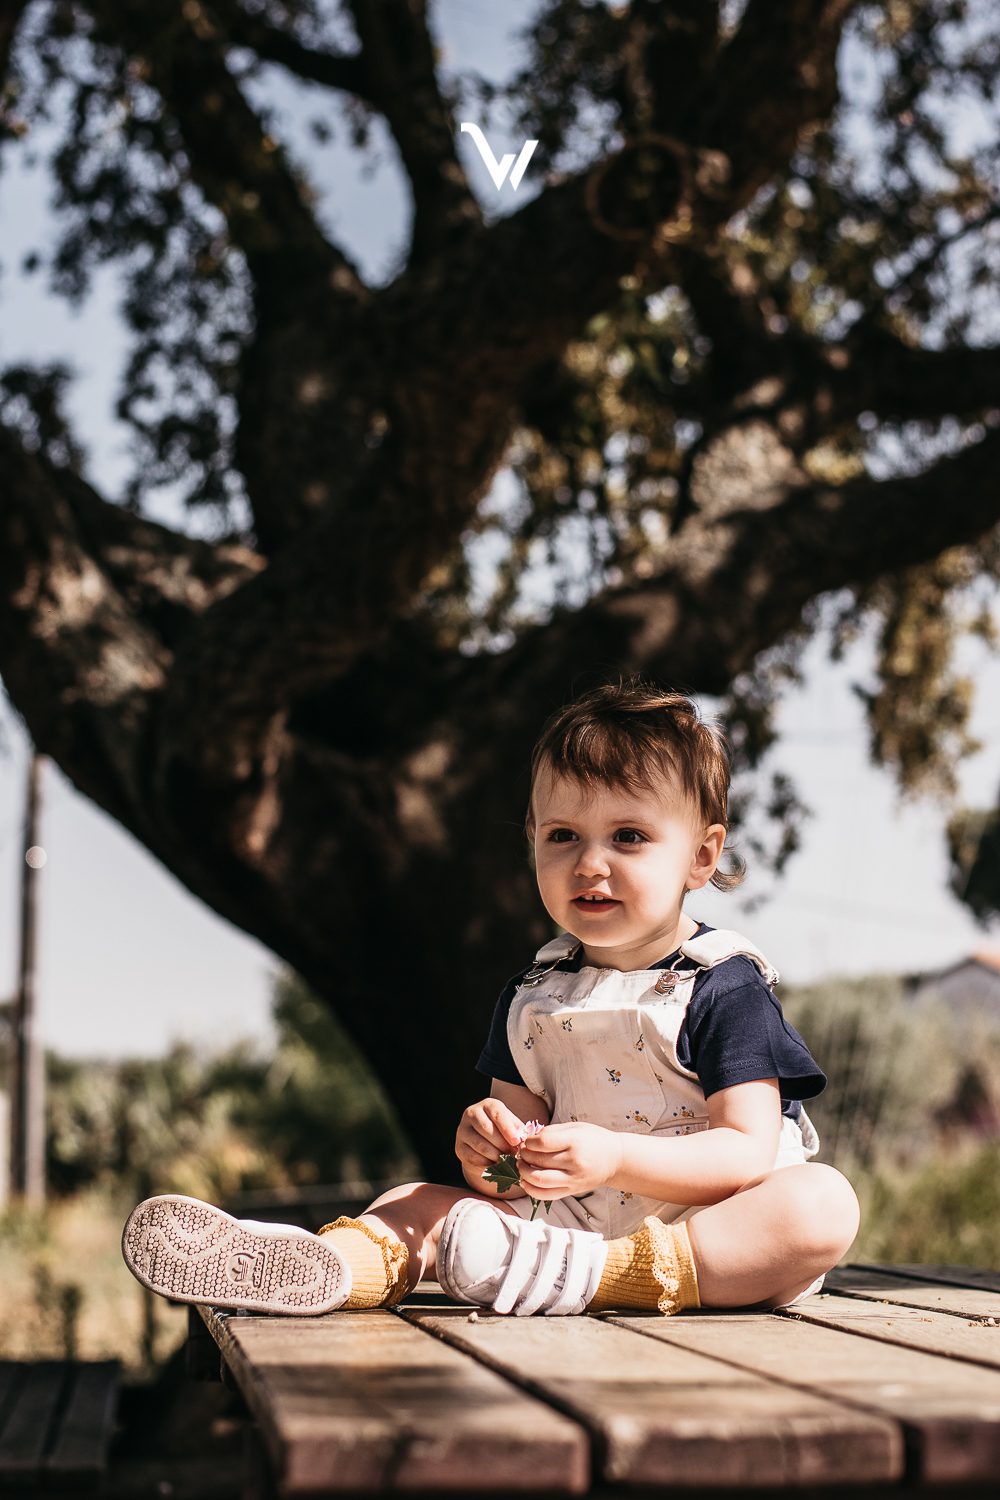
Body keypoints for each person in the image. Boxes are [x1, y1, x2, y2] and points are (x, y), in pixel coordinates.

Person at [121, 681, 859, 1320]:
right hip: (565, 1226)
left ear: (702, 855)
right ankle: (328, 1269)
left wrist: (611, 1156)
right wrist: (492, 1150)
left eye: (628, 836)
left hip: (709, 1236)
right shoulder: (535, 993)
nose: (590, 863)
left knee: (820, 1206)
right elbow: (509, 1175)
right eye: (563, 836)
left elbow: (743, 1154)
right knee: (413, 1199)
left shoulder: (720, 984)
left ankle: (610, 1282)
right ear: (532, 844)